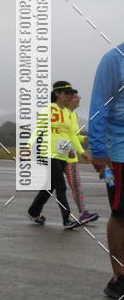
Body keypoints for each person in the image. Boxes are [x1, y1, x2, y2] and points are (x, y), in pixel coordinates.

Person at [88, 43, 124, 300]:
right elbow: (99, 104)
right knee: (121, 214)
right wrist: (99, 149)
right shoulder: (115, 59)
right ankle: (119, 278)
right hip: (120, 151)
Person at [27, 81, 87, 229]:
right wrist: (28, 146)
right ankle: (67, 219)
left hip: (62, 155)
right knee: (61, 186)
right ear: (57, 94)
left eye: (71, 94)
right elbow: (38, 129)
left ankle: (33, 211)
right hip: (48, 153)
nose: (70, 96)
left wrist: (81, 152)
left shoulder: (68, 113)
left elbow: (71, 135)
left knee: (50, 186)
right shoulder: (49, 109)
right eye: (67, 93)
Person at [64, 91, 98, 225]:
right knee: (51, 188)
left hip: (70, 157)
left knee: (75, 186)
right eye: (75, 97)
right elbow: (61, 135)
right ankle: (35, 211)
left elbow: (74, 136)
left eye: (79, 96)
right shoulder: (62, 115)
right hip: (61, 155)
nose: (79, 99)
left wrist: (87, 139)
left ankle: (83, 213)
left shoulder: (74, 115)